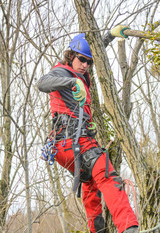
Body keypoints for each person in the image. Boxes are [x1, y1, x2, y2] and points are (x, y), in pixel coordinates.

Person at [38, 25, 139, 233]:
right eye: (81, 60)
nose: (85, 65)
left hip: (68, 149)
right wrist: (72, 82)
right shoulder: (62, 72)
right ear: (71, 55)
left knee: (92, 185)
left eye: (88, 62)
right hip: (73, 142)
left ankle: (97, 230)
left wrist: (110, 36)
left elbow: (93, 48)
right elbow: (42, 83)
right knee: (108, 176)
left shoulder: (81, 71)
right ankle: (129, 227)